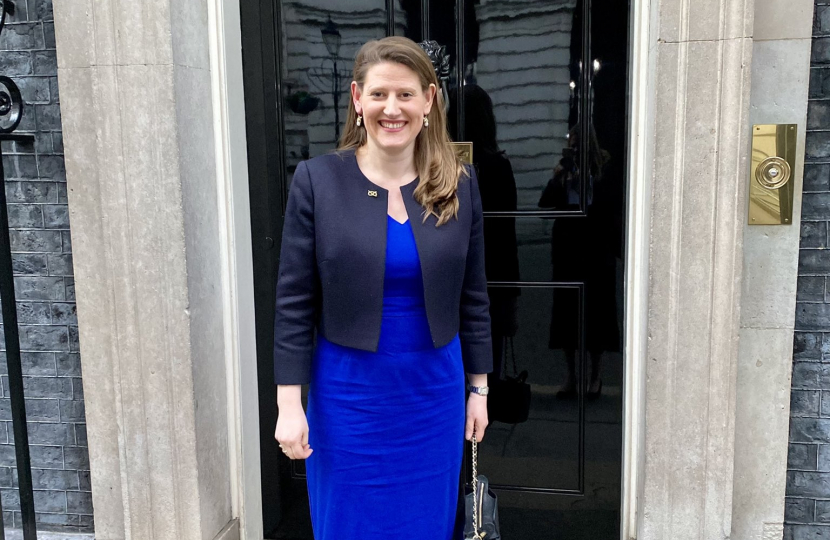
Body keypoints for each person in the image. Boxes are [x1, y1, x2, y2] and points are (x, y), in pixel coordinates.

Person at [272, 36, 493, 540]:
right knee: (349, 521)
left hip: (432, 392)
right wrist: (289, 404)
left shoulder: (460, 183)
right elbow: (293, 302)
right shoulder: (317, 181)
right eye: (378, 95)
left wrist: (478, 389)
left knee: (425, 524)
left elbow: (474, 297)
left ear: (428, 101)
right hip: (348, 394)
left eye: (406, 95)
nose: (391, 108)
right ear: (357, 99)